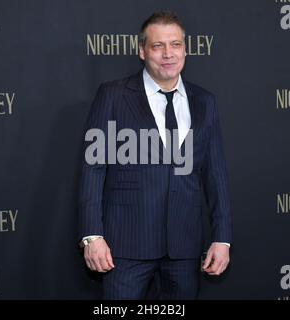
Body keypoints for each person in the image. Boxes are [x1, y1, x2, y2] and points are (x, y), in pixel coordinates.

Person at [78, 10, 232, 299]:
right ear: (142, 51)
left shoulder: (204, 101)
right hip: (124, 247)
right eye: (157, 45)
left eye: (175, 44)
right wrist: (92, 236)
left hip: (184, 249)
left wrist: (222, 238)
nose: (168, 54)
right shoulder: (112, 96)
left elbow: (216, 174)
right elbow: (93, 168)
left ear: (185, 50)